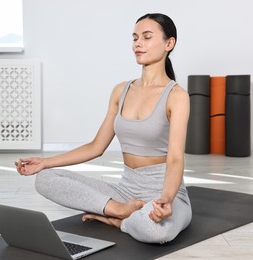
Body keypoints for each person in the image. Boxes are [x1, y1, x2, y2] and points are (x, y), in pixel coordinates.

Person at [15, 13, 192, 244]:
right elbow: (96, 147)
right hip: (126, 189)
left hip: (165, 192)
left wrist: (166, 199)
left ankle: (118, 220)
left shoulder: (177, 96)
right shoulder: (121, 90)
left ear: (169, 44)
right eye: (135, 37)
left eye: (147, 37)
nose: (138, 43)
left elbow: (176, 158)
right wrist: (44, 162)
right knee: (44, 179)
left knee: (157, 231)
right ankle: (118, 209)